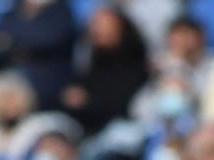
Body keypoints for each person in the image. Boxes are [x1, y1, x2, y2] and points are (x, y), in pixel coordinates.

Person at [61, 5, 149, 135]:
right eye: (95, 25)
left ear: (121, 27)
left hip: (123, 130)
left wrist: (87, 102)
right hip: (84, 129)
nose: (97, 30)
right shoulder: (90, 57)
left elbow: (123, 105)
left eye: (104, 25)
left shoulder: (136, 61)